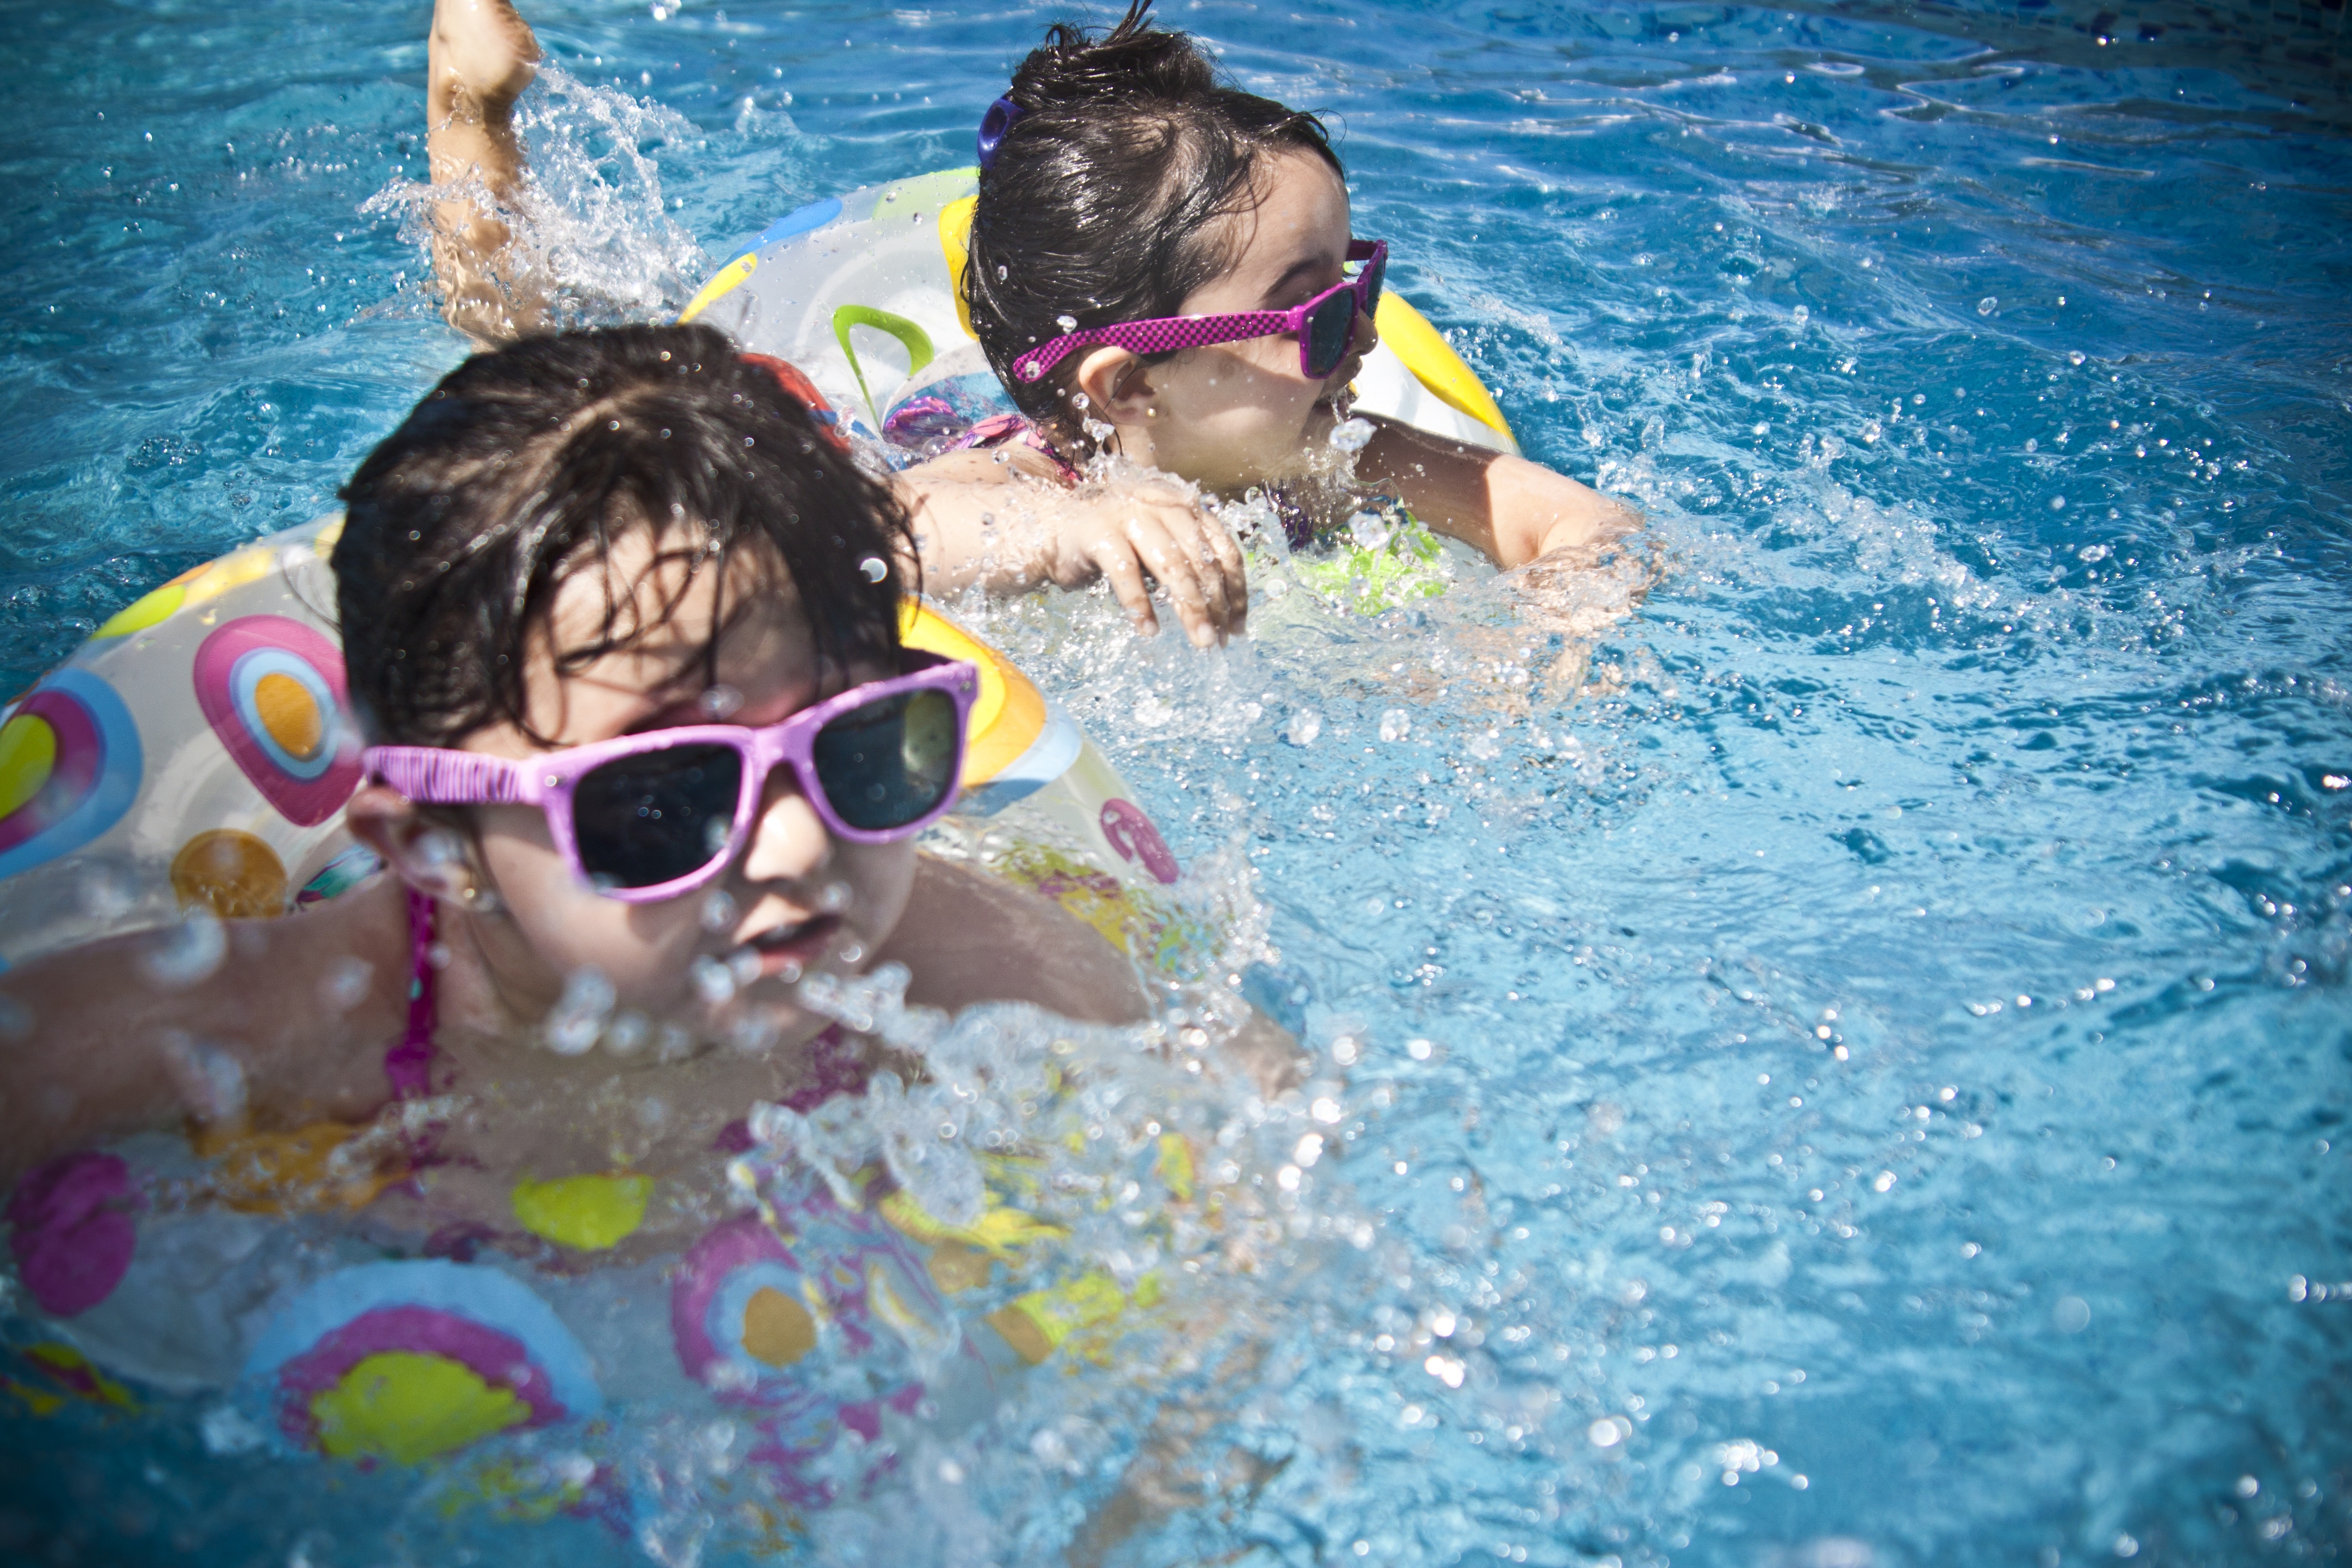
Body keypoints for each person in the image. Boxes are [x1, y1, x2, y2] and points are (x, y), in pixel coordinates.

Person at [0, 325, 1166, 1205]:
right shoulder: (264, 1032)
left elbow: (1234, 1160)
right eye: (664, 799)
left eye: (862, 748)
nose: (802, 845)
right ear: (433, 842)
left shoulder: (969, 972)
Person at [419, 0, 1637, 649]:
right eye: (1310, 317)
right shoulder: (1024, 474)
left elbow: (1571, 520)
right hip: (890, 426)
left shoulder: (1346, 458)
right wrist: (1070, 523)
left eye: (1357, 288)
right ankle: (472, 111)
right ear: (1125, 391)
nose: (1360, 342)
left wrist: (1555, 627)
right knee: (548, 375)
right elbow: (864, 540)